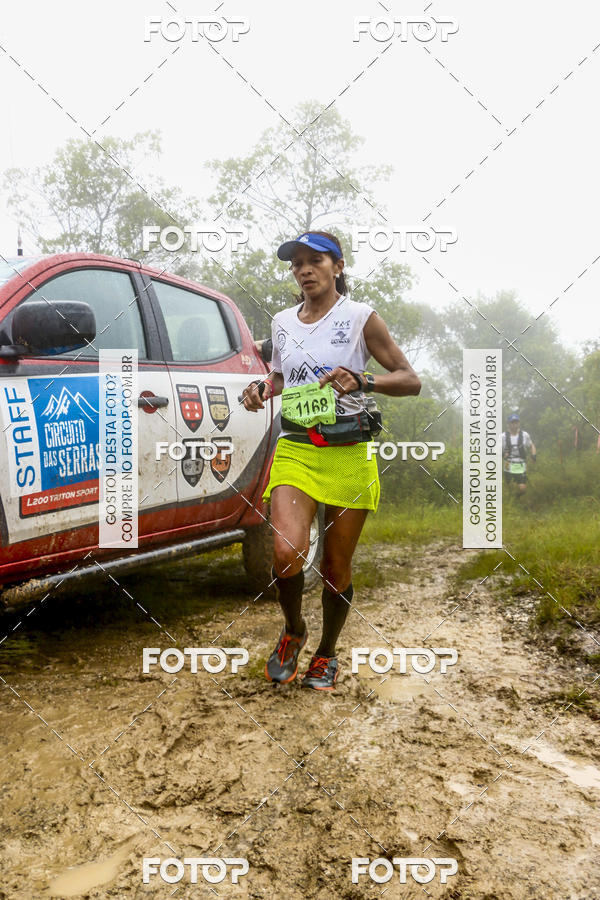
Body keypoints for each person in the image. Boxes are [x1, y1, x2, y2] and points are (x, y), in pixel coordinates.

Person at [241, 230, 421, 690]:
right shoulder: (283, 322)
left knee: (335, 569)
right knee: (285, 553)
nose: (304, 269)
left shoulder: (361, 318)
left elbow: (409, 380)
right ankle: (294, 630)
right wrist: (262, 388)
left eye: (314, 260)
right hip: (297, 448)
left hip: (348, 451)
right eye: (296, 263)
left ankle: (327, 652)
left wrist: (364, 380)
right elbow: (283, 376)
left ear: (337, 266)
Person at [502, 413, 537, 495]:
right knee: (510, 487)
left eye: (516, 422)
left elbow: (531, 445)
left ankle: (518, 499)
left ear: (519, 423)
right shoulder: (503, 436)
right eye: (512, 422)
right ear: (508, 424)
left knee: (522, 489)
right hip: (508, 465)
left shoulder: (525, 435)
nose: (514, 425)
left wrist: (533, 455)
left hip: (521, 464)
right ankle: (513, 503)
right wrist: (503, 453)